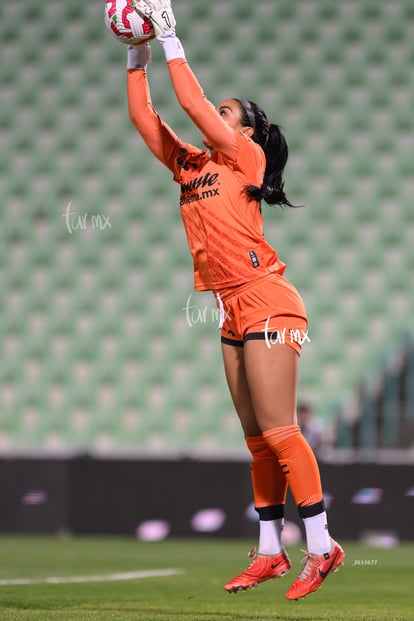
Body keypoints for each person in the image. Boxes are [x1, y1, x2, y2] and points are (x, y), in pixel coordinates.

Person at [125, 0, 345, 601]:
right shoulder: (192, 165)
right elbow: (147, 121)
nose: (211, 115)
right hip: (229, 305)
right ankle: (272, 552)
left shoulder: (243, 157)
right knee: (255, 438)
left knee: (280, 429)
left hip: (268, 297)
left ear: (245, 131)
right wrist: (135, 52)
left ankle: (322, 547)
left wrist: (172, 39)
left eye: (227, 112)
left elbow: (192, 104)